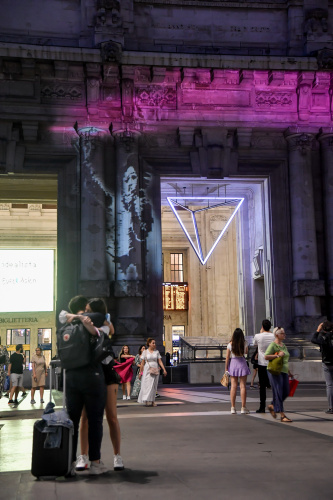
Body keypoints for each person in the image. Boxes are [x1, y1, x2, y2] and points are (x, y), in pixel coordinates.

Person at [60, 295, 108, 475]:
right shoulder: (94, 318)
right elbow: (106, 328)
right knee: (95, 420)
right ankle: (95, 463)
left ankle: (69, 463)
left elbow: (62, 316)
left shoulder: (66, 322)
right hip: (91, 375)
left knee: (72, 421)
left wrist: (77, 316)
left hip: (71, 375)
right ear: (86, 307)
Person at [76, 298, 125, 473]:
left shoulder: (105, 326)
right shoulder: (82, 327)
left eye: (89, 310)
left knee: (111, 416)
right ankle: (83, 456)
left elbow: (108, 329)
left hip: (106, 372)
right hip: (89, 373)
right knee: (85, 418)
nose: (86, 313)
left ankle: (117, 455)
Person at [265, 326, 293, 423]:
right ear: (277, 335)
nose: (284, 335)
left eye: (284, 333)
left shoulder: (283, 345)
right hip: (275, 371)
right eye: (282, 333)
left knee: (286, 391)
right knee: (278, 392)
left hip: (284, 371)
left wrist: (289, 372)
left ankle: (272, 405)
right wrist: (277, 355)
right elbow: (266, 356)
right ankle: (282, 415)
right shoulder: (273, 345)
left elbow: (284, 360)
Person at [224, 328, 251, 414]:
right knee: (243, 386)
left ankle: (233, 407)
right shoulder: (245, 343)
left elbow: (227, 357)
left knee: (233, 386)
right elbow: (246, 352)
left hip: (233, 364)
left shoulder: (230, 344)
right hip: (242, 363)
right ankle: (243, 407)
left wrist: (226, 368)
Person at [311, 321, 333, 414]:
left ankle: (331, 407)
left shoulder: (322, 338)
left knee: (330, 385)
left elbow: (313, 339)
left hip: (327, 362)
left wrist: (318, 330)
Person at [253, 319, 275, 413]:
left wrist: (260, 333)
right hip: (272, 363)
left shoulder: (258, 336)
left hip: (262, 363)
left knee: (262, 386)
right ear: (270, 327)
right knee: (274, 385)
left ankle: (262, 407)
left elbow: (254, 345)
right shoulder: (274, 336)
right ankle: (275, 405)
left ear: (262, 326)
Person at [138, 338, 167, 406]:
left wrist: (164, 369)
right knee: (147, 385)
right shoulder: (145, 352)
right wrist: (140, 373)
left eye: (155, 343)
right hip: (147, 369)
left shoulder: (156, 352)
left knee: (154, 385)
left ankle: (153, 400)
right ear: (149, 344)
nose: (154, 344)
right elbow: (142, 363)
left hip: (155, 368)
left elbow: (160, 361)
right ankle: (146, 399)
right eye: (153, 343)